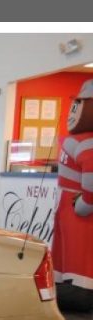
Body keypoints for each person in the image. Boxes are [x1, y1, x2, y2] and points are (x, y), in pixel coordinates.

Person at [53, 79, 93, 291]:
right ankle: (61, 277)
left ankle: (78, 285)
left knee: (78, 246)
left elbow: (90, 180)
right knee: (64, 243)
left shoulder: (87, 143)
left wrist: (85, 203)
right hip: (66, 202)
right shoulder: (79, 140)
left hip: (76, 204)